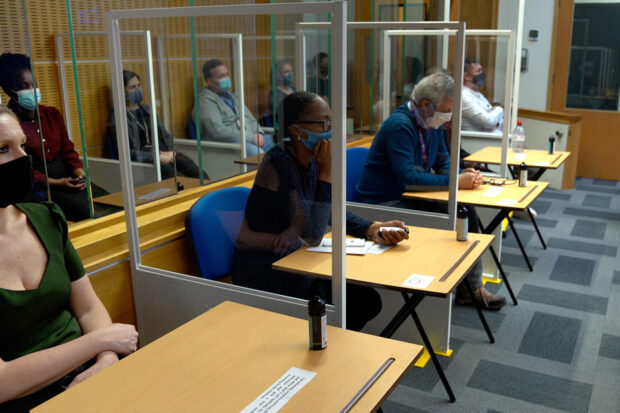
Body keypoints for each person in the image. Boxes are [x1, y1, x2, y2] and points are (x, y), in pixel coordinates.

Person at [231, 91, 409, 331]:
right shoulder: (279, 164)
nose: (330, 129)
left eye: (331, 122)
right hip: (266, 268)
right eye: (323, 123)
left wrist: (369, 227)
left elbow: (328, 211)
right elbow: (313, 232)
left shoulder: (311, 159)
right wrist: (327, 173)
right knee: (352, 304)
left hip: (298, 257)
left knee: (367, 301)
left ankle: (332, 347)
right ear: (297, 131)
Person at [0, 105, 139, 411]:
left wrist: (105, 360)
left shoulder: (47, 218)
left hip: (91, 373)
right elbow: (2, 381)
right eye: (3, 149)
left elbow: (88, 308)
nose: (23, 158)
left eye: (23, 145)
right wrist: (100, 342)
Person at [356, 73, 506, 311]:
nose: (449, 116)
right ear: (426, 105)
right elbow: (409, 179)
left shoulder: (430, 122)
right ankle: (465, 288)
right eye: (447, 110)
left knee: (463, 211)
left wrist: (459, 175)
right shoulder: (400, 126)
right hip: (384, 202)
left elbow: (443, 161)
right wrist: (456, 180)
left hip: (410, 195)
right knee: (456, 216)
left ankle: (470, 287)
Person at [0, 53, 90, 222]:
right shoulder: (9, 123)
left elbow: (67, 149)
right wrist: (57, 182)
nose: (32, 90)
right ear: (8, 90)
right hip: (39, 186)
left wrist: (79, 172)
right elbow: (19, 167)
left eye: (34, 84)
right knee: (85, 212)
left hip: (67, 177)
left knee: (105, 201)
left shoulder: (52, 114)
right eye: (24, 86)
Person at [105, 70, 203, 180]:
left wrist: (170, 152)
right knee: (179, 179)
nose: (138, 90)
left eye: (139, 85)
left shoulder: (148, 110)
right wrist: (156, 157)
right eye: (132, 87)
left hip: (165, 154)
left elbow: (166, 136)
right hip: (145, 160)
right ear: (121, 92)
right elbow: (125, 152)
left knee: (196, 172)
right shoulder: (117, 118)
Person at [194, 59, 266, 157]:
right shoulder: (205, 101)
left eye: (227, 74)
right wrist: (252, 138)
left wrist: (259, 133)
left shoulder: (233, 96)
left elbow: (251, 119)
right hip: (227, 145)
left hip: (251, 138)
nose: (226, 78)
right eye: (221, 76)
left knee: (281, 144)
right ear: (209, 81)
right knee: (257, 154)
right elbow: (218, 132)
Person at [461, 58, 504, 132]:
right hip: (477, 141)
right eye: (478, 71)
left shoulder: (478, 94)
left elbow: (499, 119)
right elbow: (489, 121)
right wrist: (499, 109)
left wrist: (495, 123)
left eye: (482, 70)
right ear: (467, 76)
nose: (482, 74)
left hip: (490, 138)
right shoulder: (464, 96)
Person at [263, 60, 296, 127]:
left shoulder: (294, 89)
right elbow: (280, 114)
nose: (291, 74)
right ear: (279, 75)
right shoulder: (274, 93)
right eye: (287, 72)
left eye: (291, 71)